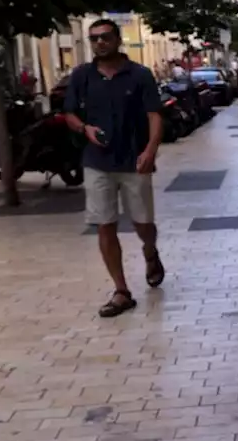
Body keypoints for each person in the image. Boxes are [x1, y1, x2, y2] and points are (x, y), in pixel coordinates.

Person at [63, 19, 166, 318]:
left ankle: (150, 251)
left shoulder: (140, 75)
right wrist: (84, 129)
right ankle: (121, 291)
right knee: (104, 223)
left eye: (105, 37)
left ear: (117, 39)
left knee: (143, 222)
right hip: (97, 162)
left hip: (134, 160)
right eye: (93, 39)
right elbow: (69, 113)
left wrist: (150, 150)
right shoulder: (82, 75)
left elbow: (154, 115)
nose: (99, 43)